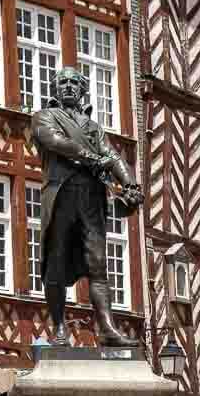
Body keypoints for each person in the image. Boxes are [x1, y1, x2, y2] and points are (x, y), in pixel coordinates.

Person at [30, 67, 142, 347]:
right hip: (61, 194)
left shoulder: (93, 127)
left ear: (82, 90)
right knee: (55, 263)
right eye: (62, 82)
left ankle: (106, 328)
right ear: (54, 89)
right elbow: (56, 142)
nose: (68, 86)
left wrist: (130, 184)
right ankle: (58, 329)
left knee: (98, 265)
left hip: (91, 197)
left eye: (74, 82)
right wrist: (93, 158)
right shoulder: (44, 116)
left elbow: (112, 154)